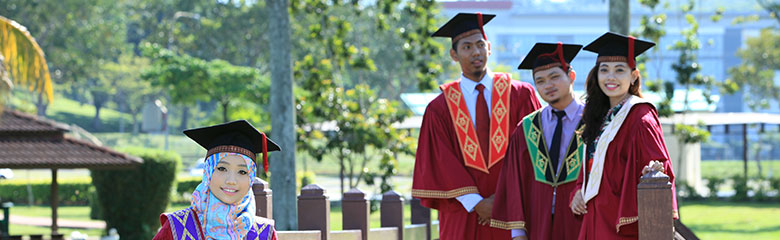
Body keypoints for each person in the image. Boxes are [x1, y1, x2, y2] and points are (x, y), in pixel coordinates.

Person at [411, 12, 541, 240]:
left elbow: (534, 151)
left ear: (489, 47)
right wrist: (477, 203)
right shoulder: (439, 108)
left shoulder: (520, 95)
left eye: (480, 45)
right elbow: (442, 160)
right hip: (463, 211)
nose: (476, 52)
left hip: (514, 208)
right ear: (454, 54)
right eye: (467, 47)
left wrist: (501, 199)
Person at [568, 32, 678, 239]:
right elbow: (592, 168)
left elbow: (659, 173)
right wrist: (577, 192)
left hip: (621, 225)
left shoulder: (640, 117)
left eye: (620, 70)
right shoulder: (599, 116)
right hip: (594, 218)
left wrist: (652, 171)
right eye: (604, 70)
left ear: (634, 75)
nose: (611, 77)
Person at [492, 42, 585, 240]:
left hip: (582, 221)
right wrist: (518, 233)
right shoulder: (527, 127)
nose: (548, 85)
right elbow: (514, 182)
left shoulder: (596, 121)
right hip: (538, 225)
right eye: (540, 81)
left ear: (571, 76)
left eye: (554, 77)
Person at [153, 120, 281, 240]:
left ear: (251, 178)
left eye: (242, 171)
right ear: (208, 172)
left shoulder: (263, 233)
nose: (231, 180)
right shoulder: (176, 228)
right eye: (221, 168)